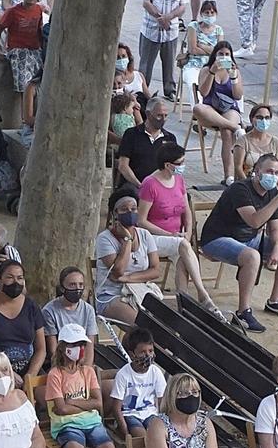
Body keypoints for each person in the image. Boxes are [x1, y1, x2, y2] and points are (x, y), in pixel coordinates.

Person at [198, 155, 278, 333]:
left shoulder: (273, 192)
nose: (273, 176)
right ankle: (243, 312)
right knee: (252, 257)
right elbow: (254, 221)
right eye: (269, 171)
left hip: (249, 239)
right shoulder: (240, 189)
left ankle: (275, 301)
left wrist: (276, 248)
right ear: (257, 171)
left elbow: (276, 229)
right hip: (218, 238)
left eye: (277, 172)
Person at [138, 135, 222, 311]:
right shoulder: (150, 184)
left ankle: (183, 302)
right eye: (180, 162)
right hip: (154, 237)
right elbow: (141, 220)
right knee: (183, 246)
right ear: (168, 165)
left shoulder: (179, 180)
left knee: (184, 257)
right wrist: (170, 235)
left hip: (177, 238)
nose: (183, 165)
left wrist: (188, 232)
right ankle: (202, 293)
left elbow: (186, 210)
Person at [43, 327, 121, 448]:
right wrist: (85, 405)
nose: (80, 349)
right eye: (75, 345)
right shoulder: (55, 374)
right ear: (64, 348)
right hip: (67, 425)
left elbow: (98, 403)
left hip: (92, 423)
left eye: (82, 345)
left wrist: (71, 402)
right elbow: (62, 410)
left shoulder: (88, 371)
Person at [0, 255, 48, 380]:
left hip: (30, 368)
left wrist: (31, 375)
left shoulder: (31, 305)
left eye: (20, 278)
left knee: (49, 395)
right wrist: (9, 374)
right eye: (10, 277)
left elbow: (41, 349)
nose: (16, 282)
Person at [93, 192, 163, 322]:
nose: (130, 212)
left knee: (164, 323)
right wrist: (127, 240)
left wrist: (127, 278)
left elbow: (155, 270)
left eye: (133, 209)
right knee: (142, 325)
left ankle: (130, 342)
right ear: (115, 214)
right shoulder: (104, 239)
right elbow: (118, 271)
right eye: (124, 209)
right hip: (110, 296)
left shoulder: (145, 235)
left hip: (139, 291)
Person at [192, 42, 245, 183]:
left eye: (227, 54)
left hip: (229, 109)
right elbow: (203, 92)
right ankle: (236, 128)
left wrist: (233, 78)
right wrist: (212, 72)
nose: (224, 57)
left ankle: (229, 176)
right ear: (215, 55)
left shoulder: (235, 71)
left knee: (226, 132)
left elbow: (238, 96)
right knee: (197, 108)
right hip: (210, 109)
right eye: (221, 54)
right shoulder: (206, 70)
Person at [137, 0, 188, 101]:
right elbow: (146, 2)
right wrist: (160, 17)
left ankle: (169, 90)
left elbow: (183, 6)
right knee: (146, 63)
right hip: (150, 30)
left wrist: (168, 18)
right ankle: (142, 92)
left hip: (170, 32)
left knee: (169, 63)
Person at [41, 267, 99, 365]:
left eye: (80, 284)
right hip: (61, 363)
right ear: (62, 288)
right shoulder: (49, 311)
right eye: (72, 285)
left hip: (82, 360)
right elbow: (53, 349)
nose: (77, 289)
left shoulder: (88, 309)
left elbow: (90, 345)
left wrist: (86, 369)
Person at [115, 95, 173, 189]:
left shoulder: (170, 138)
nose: (163, 120)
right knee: (129, 202)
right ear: (148, 114)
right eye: (159, 116)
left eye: (165, 116)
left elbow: (174, 167)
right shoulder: (131, 134)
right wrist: (140, 185)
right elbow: (123, 166)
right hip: (133, 184)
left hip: (160, 185)